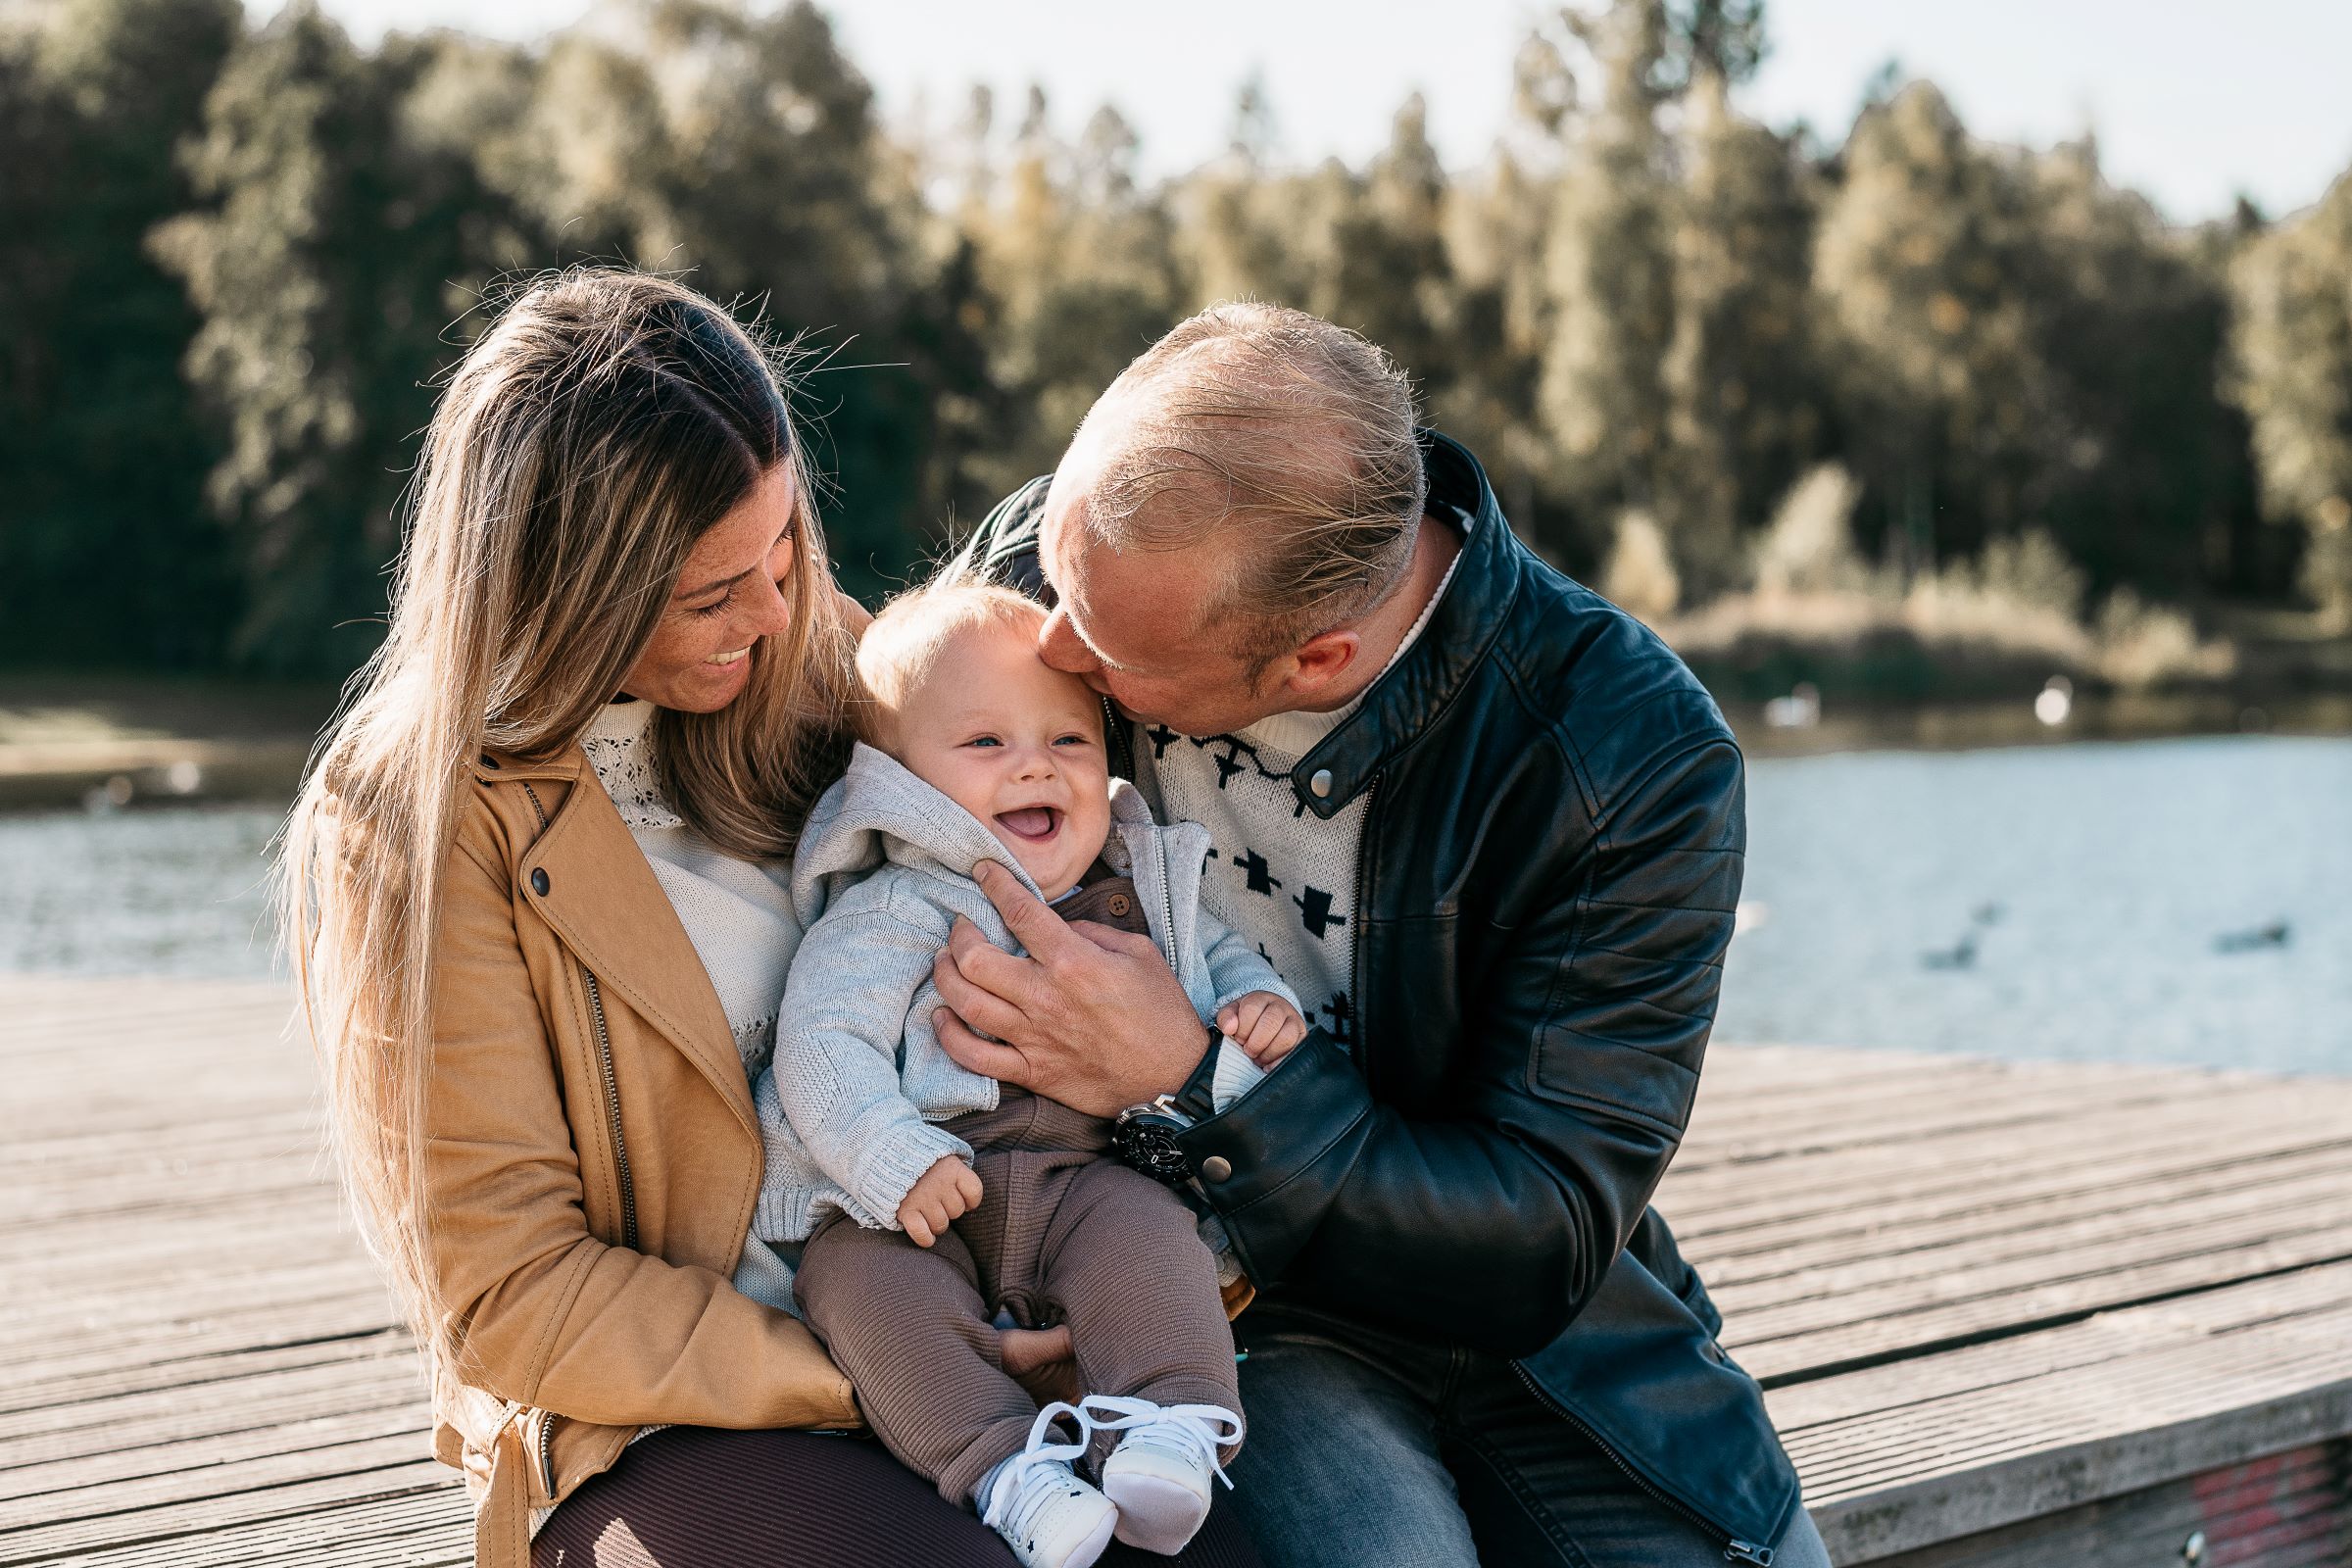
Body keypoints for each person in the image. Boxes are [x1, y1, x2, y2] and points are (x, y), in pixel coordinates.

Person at [278, 269, 1260, 1568]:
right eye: (710, 592)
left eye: (785, 547)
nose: (778, 611)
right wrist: (878, 1372)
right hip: (677, 1420)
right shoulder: (415, 821)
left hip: (987, 1285)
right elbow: (511, 1297)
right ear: (569, 591)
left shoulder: (830, 674)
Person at [939, 301, 1835, 1567]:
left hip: (1553, 1344)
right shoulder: (1063, 568)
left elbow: (1539, 1233)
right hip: (1228, 1314)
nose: (1043, 640)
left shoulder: (1627, 752)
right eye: (1055, 567)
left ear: (1319, 659)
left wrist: (1193, 1073)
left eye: (1107, 645)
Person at [734, 578, 1304, 1568]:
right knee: (859, 1294)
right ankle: (1008, 1472)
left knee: (1152, 1244)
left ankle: (1170, 1430)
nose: (1036, 764)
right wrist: (890, 1153)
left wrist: (1256, 1006)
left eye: (1068, 741)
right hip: (911, 1209)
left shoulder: (1142, 882)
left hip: (1085, 1178)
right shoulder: (895, 907)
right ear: (900, 785)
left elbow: (1214, 960)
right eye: (987, 743)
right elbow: (823, 1042)